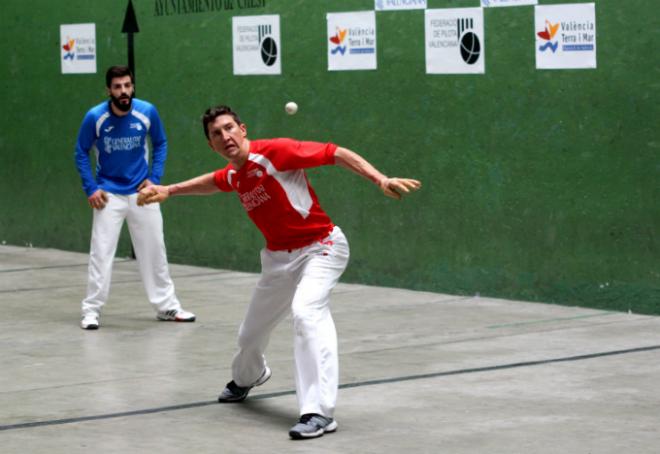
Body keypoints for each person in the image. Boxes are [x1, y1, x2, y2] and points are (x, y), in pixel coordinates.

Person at [137, 105, 421, 439]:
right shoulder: (236, 173)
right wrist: (169, 190)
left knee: (307, 312)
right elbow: (216, 181)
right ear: (211, 145)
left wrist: (380, 179)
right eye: (216, 133)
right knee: (249, 335)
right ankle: (248, 377)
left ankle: (319, 412)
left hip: (321, 248)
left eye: (230, 128)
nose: (225, 136)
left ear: (243, 129)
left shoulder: (274, 152)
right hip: (278, 260)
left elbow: (336, 153)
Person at [74, 65, 195, 330]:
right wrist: (91, 188)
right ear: (109, 90)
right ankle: (91, 310)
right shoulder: (95, 117)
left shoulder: (147, 111)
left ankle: (167, 306)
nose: (123, 91)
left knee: (154, 249)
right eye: (117, 87)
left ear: (133, 87)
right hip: (108, 193)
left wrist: (155, 178)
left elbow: (160, 142)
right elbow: (81, 152)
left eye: (127, 85)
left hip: (143, 193)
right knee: (101, 253)